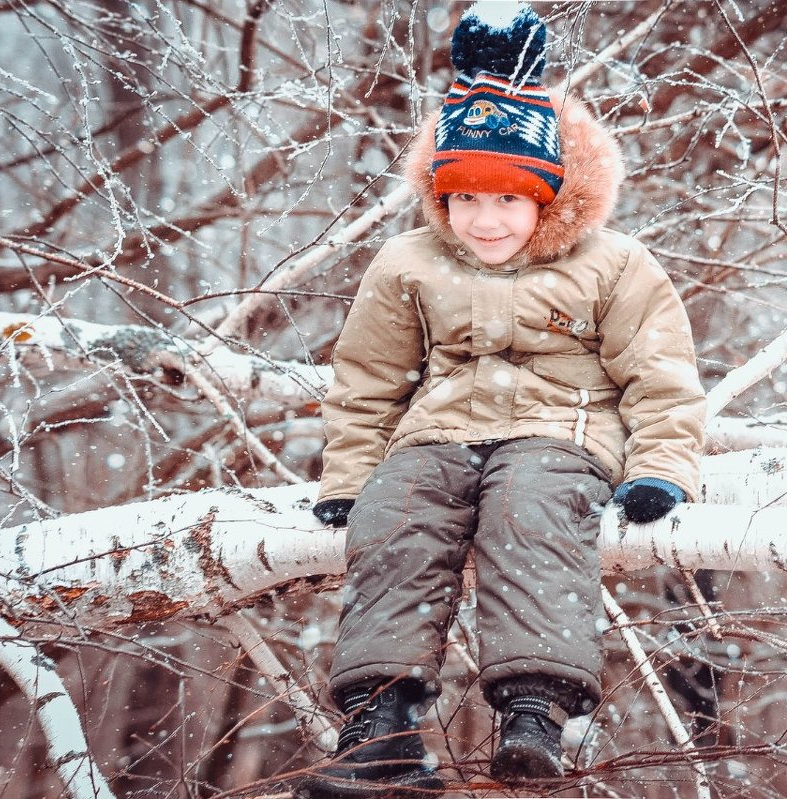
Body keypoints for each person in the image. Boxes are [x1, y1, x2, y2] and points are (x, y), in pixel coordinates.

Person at [301, 3, 706, 797]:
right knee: (399, 512)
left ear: (549, 199)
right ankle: (380, 725)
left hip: (562, 433)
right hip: (439, 433)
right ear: (440, 199)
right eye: (466, 201)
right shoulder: (407, 263)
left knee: (528, 506)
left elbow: (661, 377)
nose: (485, 221)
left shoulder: (614, 264)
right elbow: (368, 381)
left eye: (508, 200)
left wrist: (661, 467)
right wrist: (349, 478)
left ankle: (534, 707)